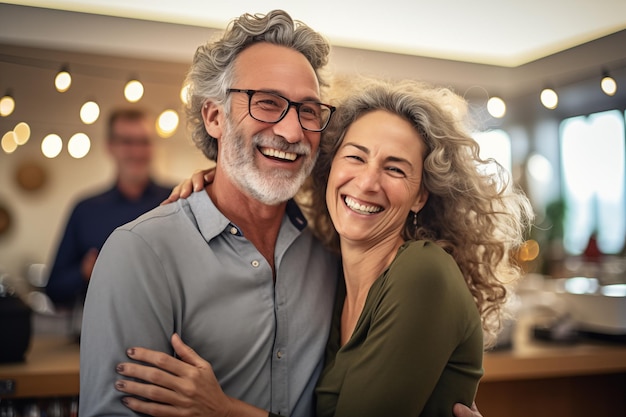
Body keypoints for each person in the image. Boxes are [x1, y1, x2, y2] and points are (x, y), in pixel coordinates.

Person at [80, 10, 484, 417]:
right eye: (267, 103)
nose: (292, 132)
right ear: (214, 116)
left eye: (308, 111)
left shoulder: (327, 254)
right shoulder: (141, 253)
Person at [114, 79, 533, 416]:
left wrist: (221, 410)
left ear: (420, 195)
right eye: (355, 157)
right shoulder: (331, 275)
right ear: (329, 168)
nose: (367, 183)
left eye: (394, 168)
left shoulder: (422, 274)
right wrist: (225, 177)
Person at [46, 107, 172, 310]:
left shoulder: (178, 199)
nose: (137, 152)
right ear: (110, 147)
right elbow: (55, 289)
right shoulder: (86, 210)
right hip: (102, 332)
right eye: (127, 142)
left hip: (170, 332)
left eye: (144, 142)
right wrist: (85, 271)